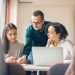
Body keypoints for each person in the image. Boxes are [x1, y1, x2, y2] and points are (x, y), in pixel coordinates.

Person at [22, 10, 52, 75]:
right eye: (33, 22)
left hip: (46, 49)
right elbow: (28, 44)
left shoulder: (50, 25)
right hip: (34, 50)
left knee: (43, 69)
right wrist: (24, 56)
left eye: (37, 23)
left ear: (43, 21)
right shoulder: (29, 30)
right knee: (33, 68)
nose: (34, 25)